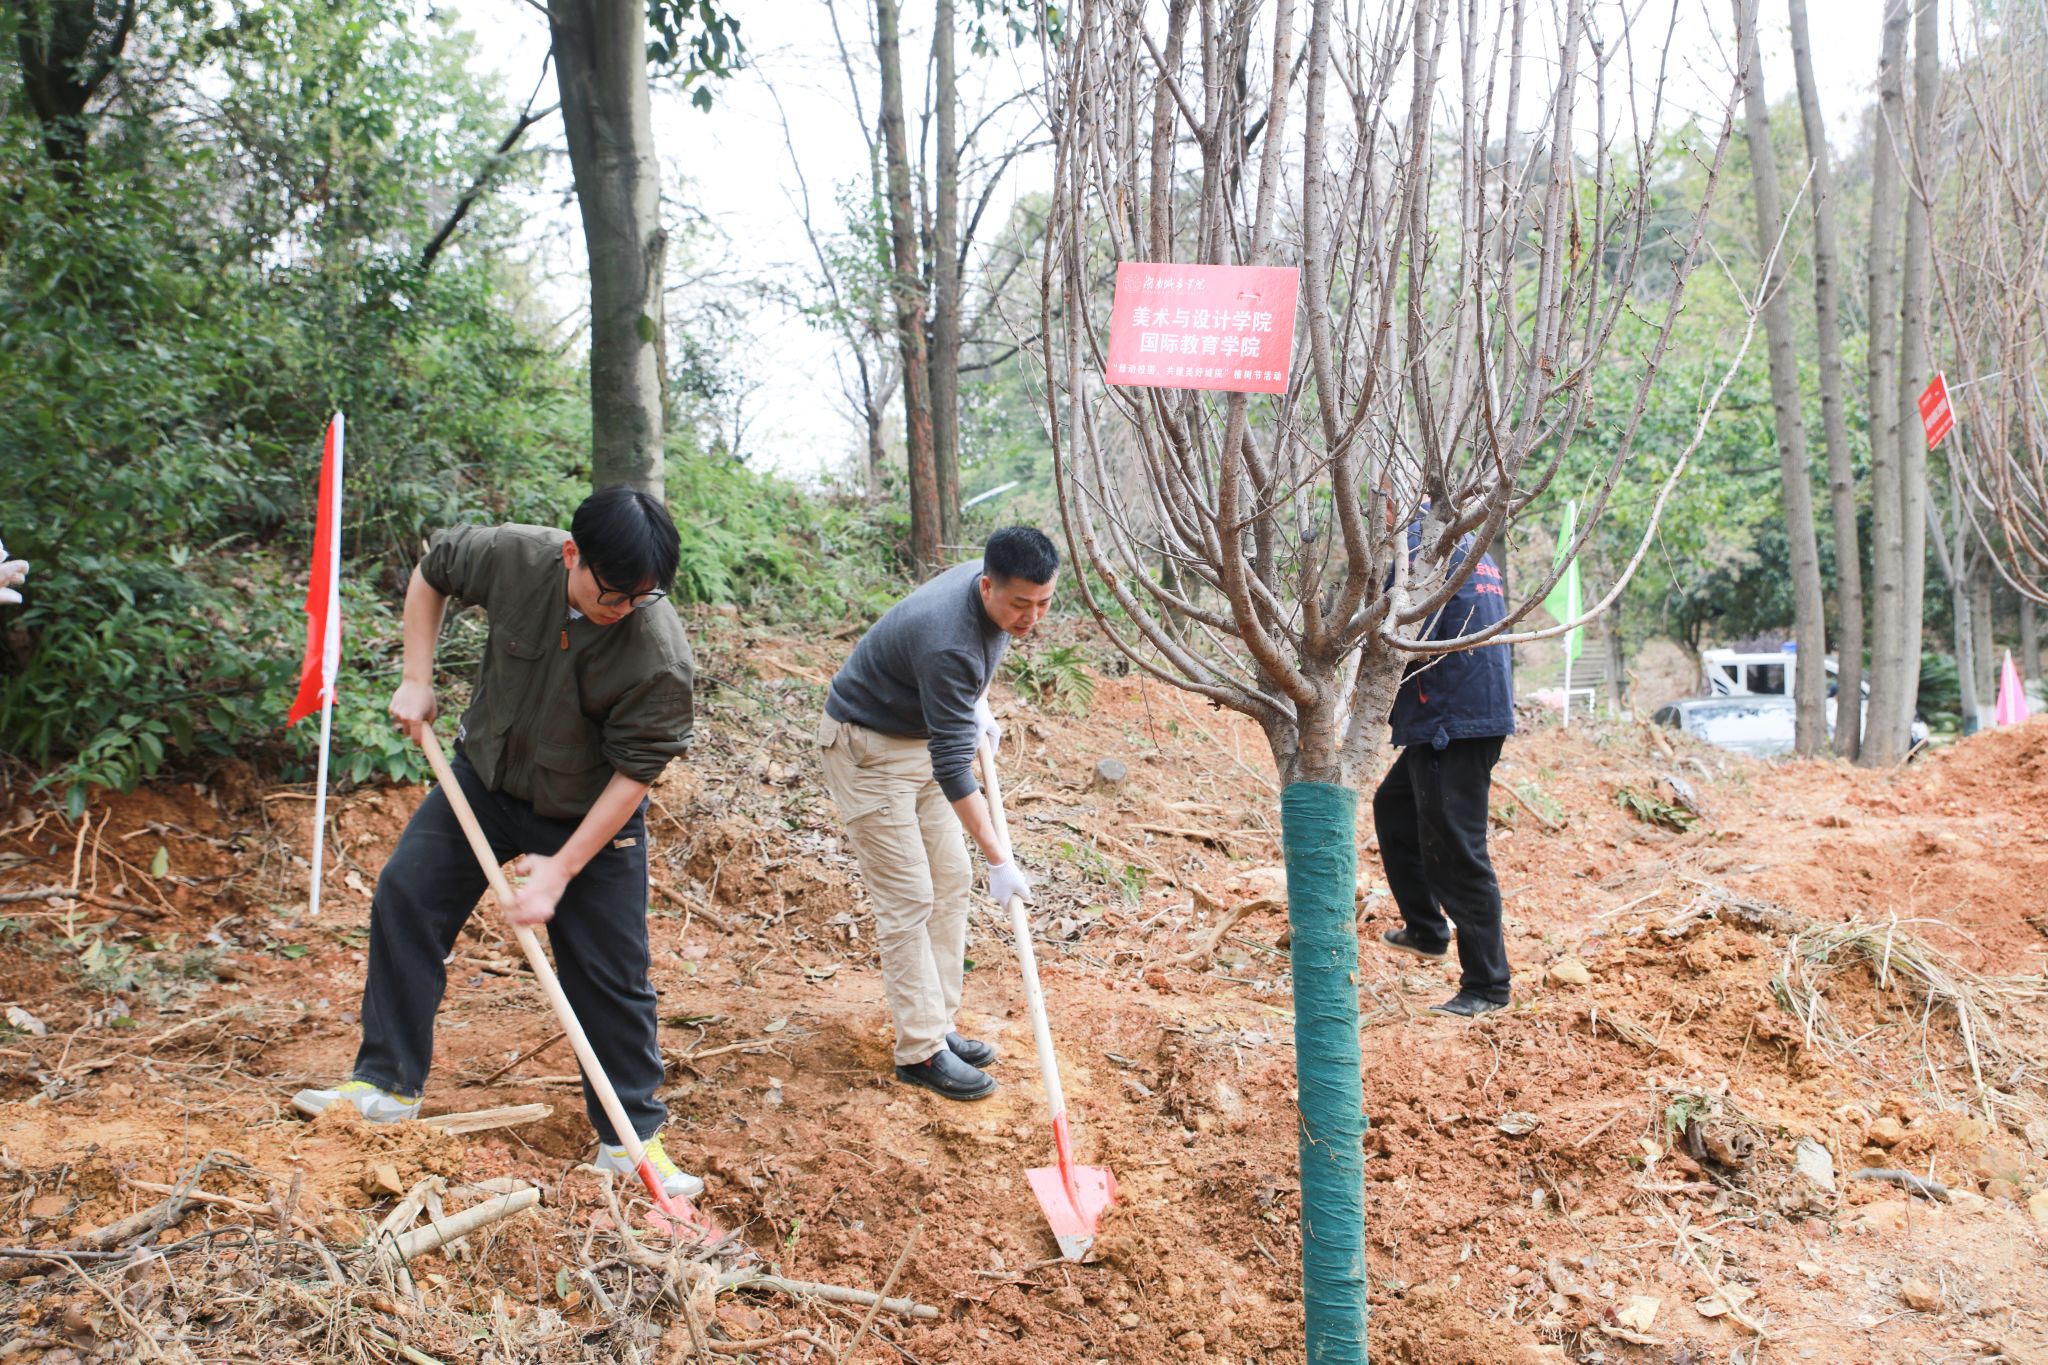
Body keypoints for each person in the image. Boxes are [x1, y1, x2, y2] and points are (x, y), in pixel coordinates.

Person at [294, 487, 706, 1198]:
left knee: (611, 972)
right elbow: (433, 571)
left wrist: (562, 868)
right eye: (611, 593)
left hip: (589, 811)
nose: (623, 608)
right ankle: (386, 1084)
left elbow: (637, 772)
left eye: (641, 596)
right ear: (572, 554)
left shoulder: (657, 652)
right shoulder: (516, 556)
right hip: (485, 781)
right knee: (407, 894)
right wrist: (416, 678)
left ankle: (630, 1141)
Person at [817, 527, 1059, 1100]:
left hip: (918, 736)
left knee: (950, 878)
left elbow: (962, 692)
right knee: (909, 897)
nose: (1031, 617)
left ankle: (939, 1024)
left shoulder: (995, 590)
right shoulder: (947, 641)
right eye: (1020, 604)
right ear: (986, 586)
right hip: (867, 749)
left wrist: (974, 704)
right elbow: (954, 768)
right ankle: (920, 1051)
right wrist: (1000, 858)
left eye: (1044, 602)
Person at [1373, 525, 1515, 1018]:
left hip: (1450, 718)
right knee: (1394, 810)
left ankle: (1488, 986)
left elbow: (1396, 631)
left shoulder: (1420, 547)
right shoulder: (1466, 540)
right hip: (1463, 708)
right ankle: (1426, 930)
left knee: (1457, 853)